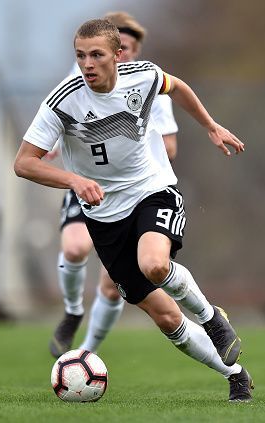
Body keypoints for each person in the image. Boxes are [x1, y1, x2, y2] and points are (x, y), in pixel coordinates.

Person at [14, 19, 253, 402]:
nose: (87, 64)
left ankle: (212, 320)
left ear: (118, 56)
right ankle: (236, 374)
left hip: (152, 190)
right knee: (168, 319)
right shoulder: (62, 101)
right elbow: (24, 162)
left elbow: (177, 87)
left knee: (154, 264)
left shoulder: (142, 76)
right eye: (80, 55)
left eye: (96, 55)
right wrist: (73, 181)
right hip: (104, 218)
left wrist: (210, 125)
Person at [47, 11, 179, 359]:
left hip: (131, 191)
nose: (125, 52)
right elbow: (57, 122)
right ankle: (73, 311)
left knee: (111, 283)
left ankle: (85, 354)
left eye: (130, 47)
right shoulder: (78, 81)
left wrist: (132, 138)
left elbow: (170, 146)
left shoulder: (150, 85)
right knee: (74, 248)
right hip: (87, 183)